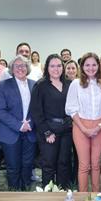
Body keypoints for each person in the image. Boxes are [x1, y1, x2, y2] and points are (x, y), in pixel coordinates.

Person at [65, 52, 101, 192]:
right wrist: (84, 128)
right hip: (80, 126)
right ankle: (83, 196)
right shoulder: (75, 84)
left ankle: (96, 196)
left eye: (94, 65)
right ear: (82, 66)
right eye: (87, 65)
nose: (91, 68)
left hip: (100, 126)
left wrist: (99, 126)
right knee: (84, 165)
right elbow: (71, 109)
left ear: (98, 66)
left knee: (96, 164)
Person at [31, 54, 72, 189]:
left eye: (59, 65)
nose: (56, 69)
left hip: (67, 130)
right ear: (47, 68)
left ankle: (62, 191)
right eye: (52, 66)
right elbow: (36, 112)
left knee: (64, 163)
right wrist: (47, 132)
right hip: (48, 131)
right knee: (48, 165)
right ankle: (47, 196)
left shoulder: (69, 84)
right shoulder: (40, 85)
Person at [0, 55, 36, 191]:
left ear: (27, 68)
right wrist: (19, 125)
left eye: (23, 65)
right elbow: (0, 111)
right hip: (10, 133)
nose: (20, 68)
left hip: (30, 132)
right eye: (16, 66)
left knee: (27, 165)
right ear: (11, 69)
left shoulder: (34, 84)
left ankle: (26, 192)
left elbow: (39, 109)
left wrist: (31, 123)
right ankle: (14, 194)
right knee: (13, 167)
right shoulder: (2, 85)